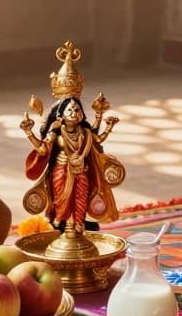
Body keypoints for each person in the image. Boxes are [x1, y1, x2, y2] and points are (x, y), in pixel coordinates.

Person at [21, 94, 125, 235]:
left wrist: (109, 126)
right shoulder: (55, 133)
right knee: (61, 198)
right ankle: (59, 221)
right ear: (60, 115)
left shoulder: (85, 132)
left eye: (77, 110)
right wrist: (28, 132)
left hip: (82, 170)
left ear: (82, 114)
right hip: (61, 170)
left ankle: (79, 222)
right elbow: (42, 149)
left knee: (81, 196)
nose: (74, 113)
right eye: (69, 110)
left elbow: (98, 140)